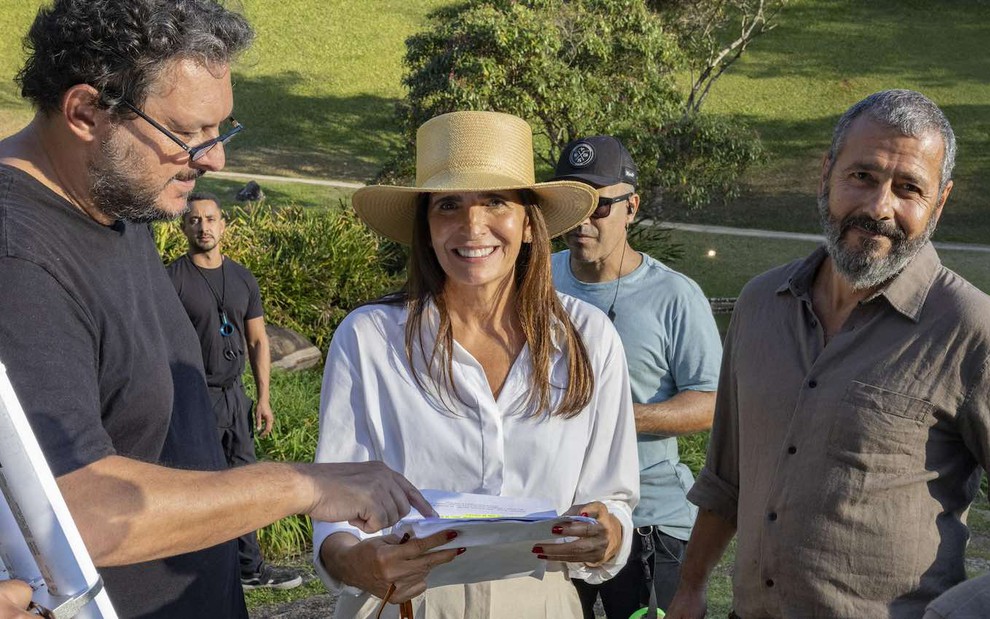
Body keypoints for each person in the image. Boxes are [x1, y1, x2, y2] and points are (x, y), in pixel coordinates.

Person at [0, 2, 431, 618]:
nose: (214, 160)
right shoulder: (18, 259)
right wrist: (299, 485)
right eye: (189, 134)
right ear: (86, 111)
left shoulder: (116, 199)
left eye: (221, 130)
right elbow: (72, 510)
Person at [665, 89, 990, 619]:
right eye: (862, 177)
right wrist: (691, 585)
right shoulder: (760, 304)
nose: (878, 208)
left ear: (940, 202)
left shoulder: (969, 327)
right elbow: (727, 477)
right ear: (826, 174)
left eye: (908, 188)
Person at [312, 110, 641, 618]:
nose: (472, 226)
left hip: (539, 598)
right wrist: (355, 563)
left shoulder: (588, 338)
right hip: (408, 602)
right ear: (426, 227)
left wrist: (608, 535)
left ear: (529, 224)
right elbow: (334, 507)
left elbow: (613, 497)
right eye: (448, 205)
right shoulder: (370, 338)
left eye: (495, 202)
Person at [550, 136, 721, 618]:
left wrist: (621, 418)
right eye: (571, 205)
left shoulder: (675, 296)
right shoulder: (534, 281)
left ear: (632, 207)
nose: (583, 221)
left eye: (600, 206)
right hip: (555, 517)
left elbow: (712, 401)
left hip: (649, 521)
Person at [167, 193, 301, 591]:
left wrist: (262, 398)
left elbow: (258, 341)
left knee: (244, 479)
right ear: (183, 227)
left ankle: (250, 568)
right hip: (192, 396)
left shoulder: (243, 278)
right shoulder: (171, 278)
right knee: (202, 483)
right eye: (194, 220)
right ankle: (201, 572)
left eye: (210, 219)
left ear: (223, 225)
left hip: (234, 395)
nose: (203, 227)